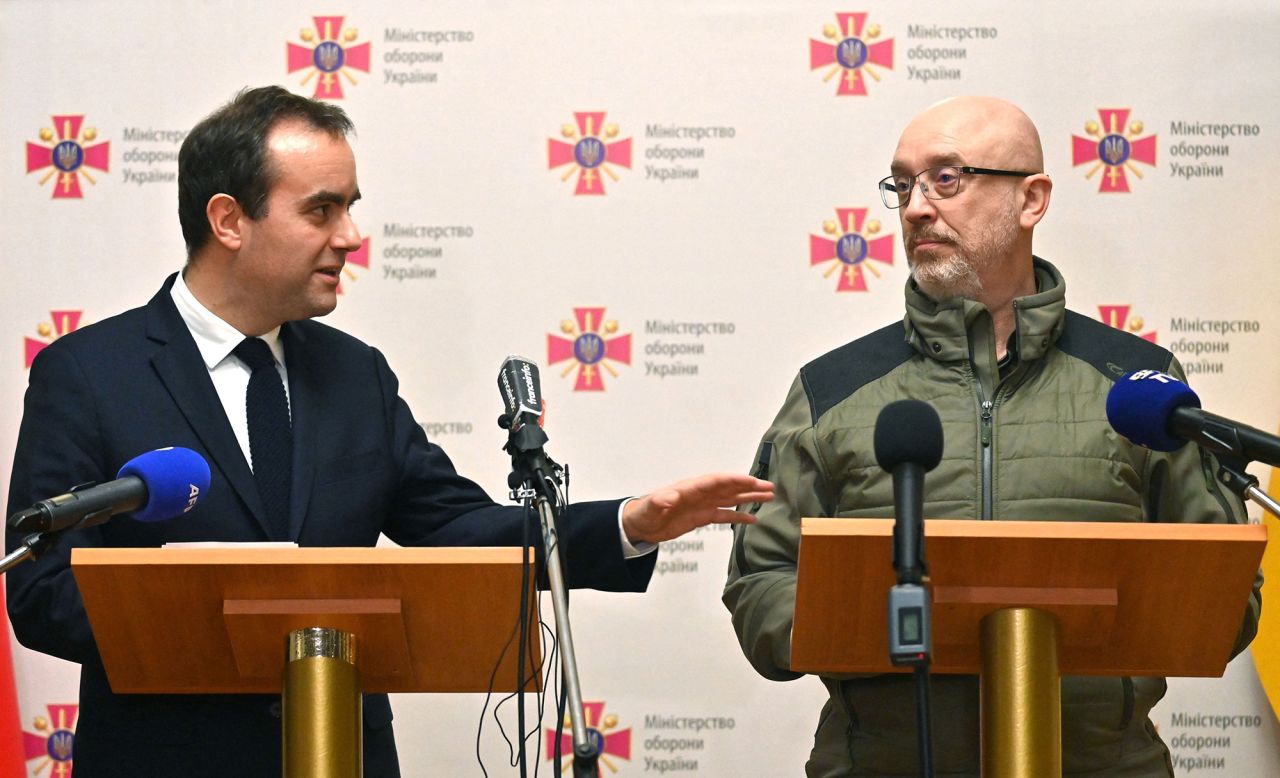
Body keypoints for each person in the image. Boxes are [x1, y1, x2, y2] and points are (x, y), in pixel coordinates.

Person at [5, 85, 773, 777]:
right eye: (321, 209)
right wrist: (234, 622)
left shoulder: (355, 374)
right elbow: (42, 590)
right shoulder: (89, 372)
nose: (351, 236)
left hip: (347, 756)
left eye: (351, 207)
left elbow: (452, 526)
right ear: (228, 219)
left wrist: (626, 524)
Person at [723, 96, 1261, 777]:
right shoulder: (832, 390)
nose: (917, 206)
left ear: (1031, 199)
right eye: (903, 184)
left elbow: (1226, 595)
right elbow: (759, 581)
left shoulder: (1139, 387)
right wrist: (865, 620)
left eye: (947, 178)